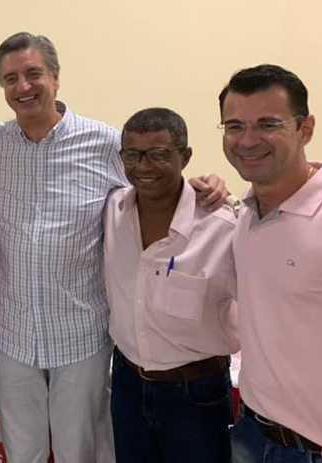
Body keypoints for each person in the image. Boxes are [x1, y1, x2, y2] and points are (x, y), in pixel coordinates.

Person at [0, 32, 227, 463]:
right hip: (11, 332)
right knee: (22, 452)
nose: (23, 86)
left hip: (81, 334)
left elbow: (155, 183)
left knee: (80, 453)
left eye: (33, 74)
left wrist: (208, 184)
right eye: (10, 78)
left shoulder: (105, 142)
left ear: (56, 77)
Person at [221, 64, 322, 463]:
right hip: (251, 433)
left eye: (268, 124)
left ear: (305, 129)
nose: (248, 140)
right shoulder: (246, 212)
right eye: (234, 126)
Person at [104, 107, 239, 463]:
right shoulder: (112, 211)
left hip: (195, 392)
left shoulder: (224, 227)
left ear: (186, 156)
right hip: (128, 384)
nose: (143, 167)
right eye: (132, 155)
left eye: (158, 154)